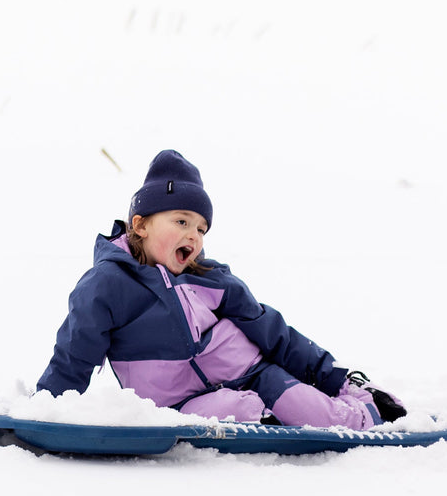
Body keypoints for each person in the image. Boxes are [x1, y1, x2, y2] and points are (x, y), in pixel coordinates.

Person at [37, 150, 404, 429]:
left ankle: (367, 408)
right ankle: (268, 421)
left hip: (258, 375)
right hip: (181, 407)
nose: (193, 236)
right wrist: (46, 408)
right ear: (141, 225)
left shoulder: (210, 279)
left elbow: (275, 335)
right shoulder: (106, 285)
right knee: (231, 413)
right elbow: (75, 352)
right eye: (181, 221)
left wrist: (336, 378)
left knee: (316, 415)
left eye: (201, 229)